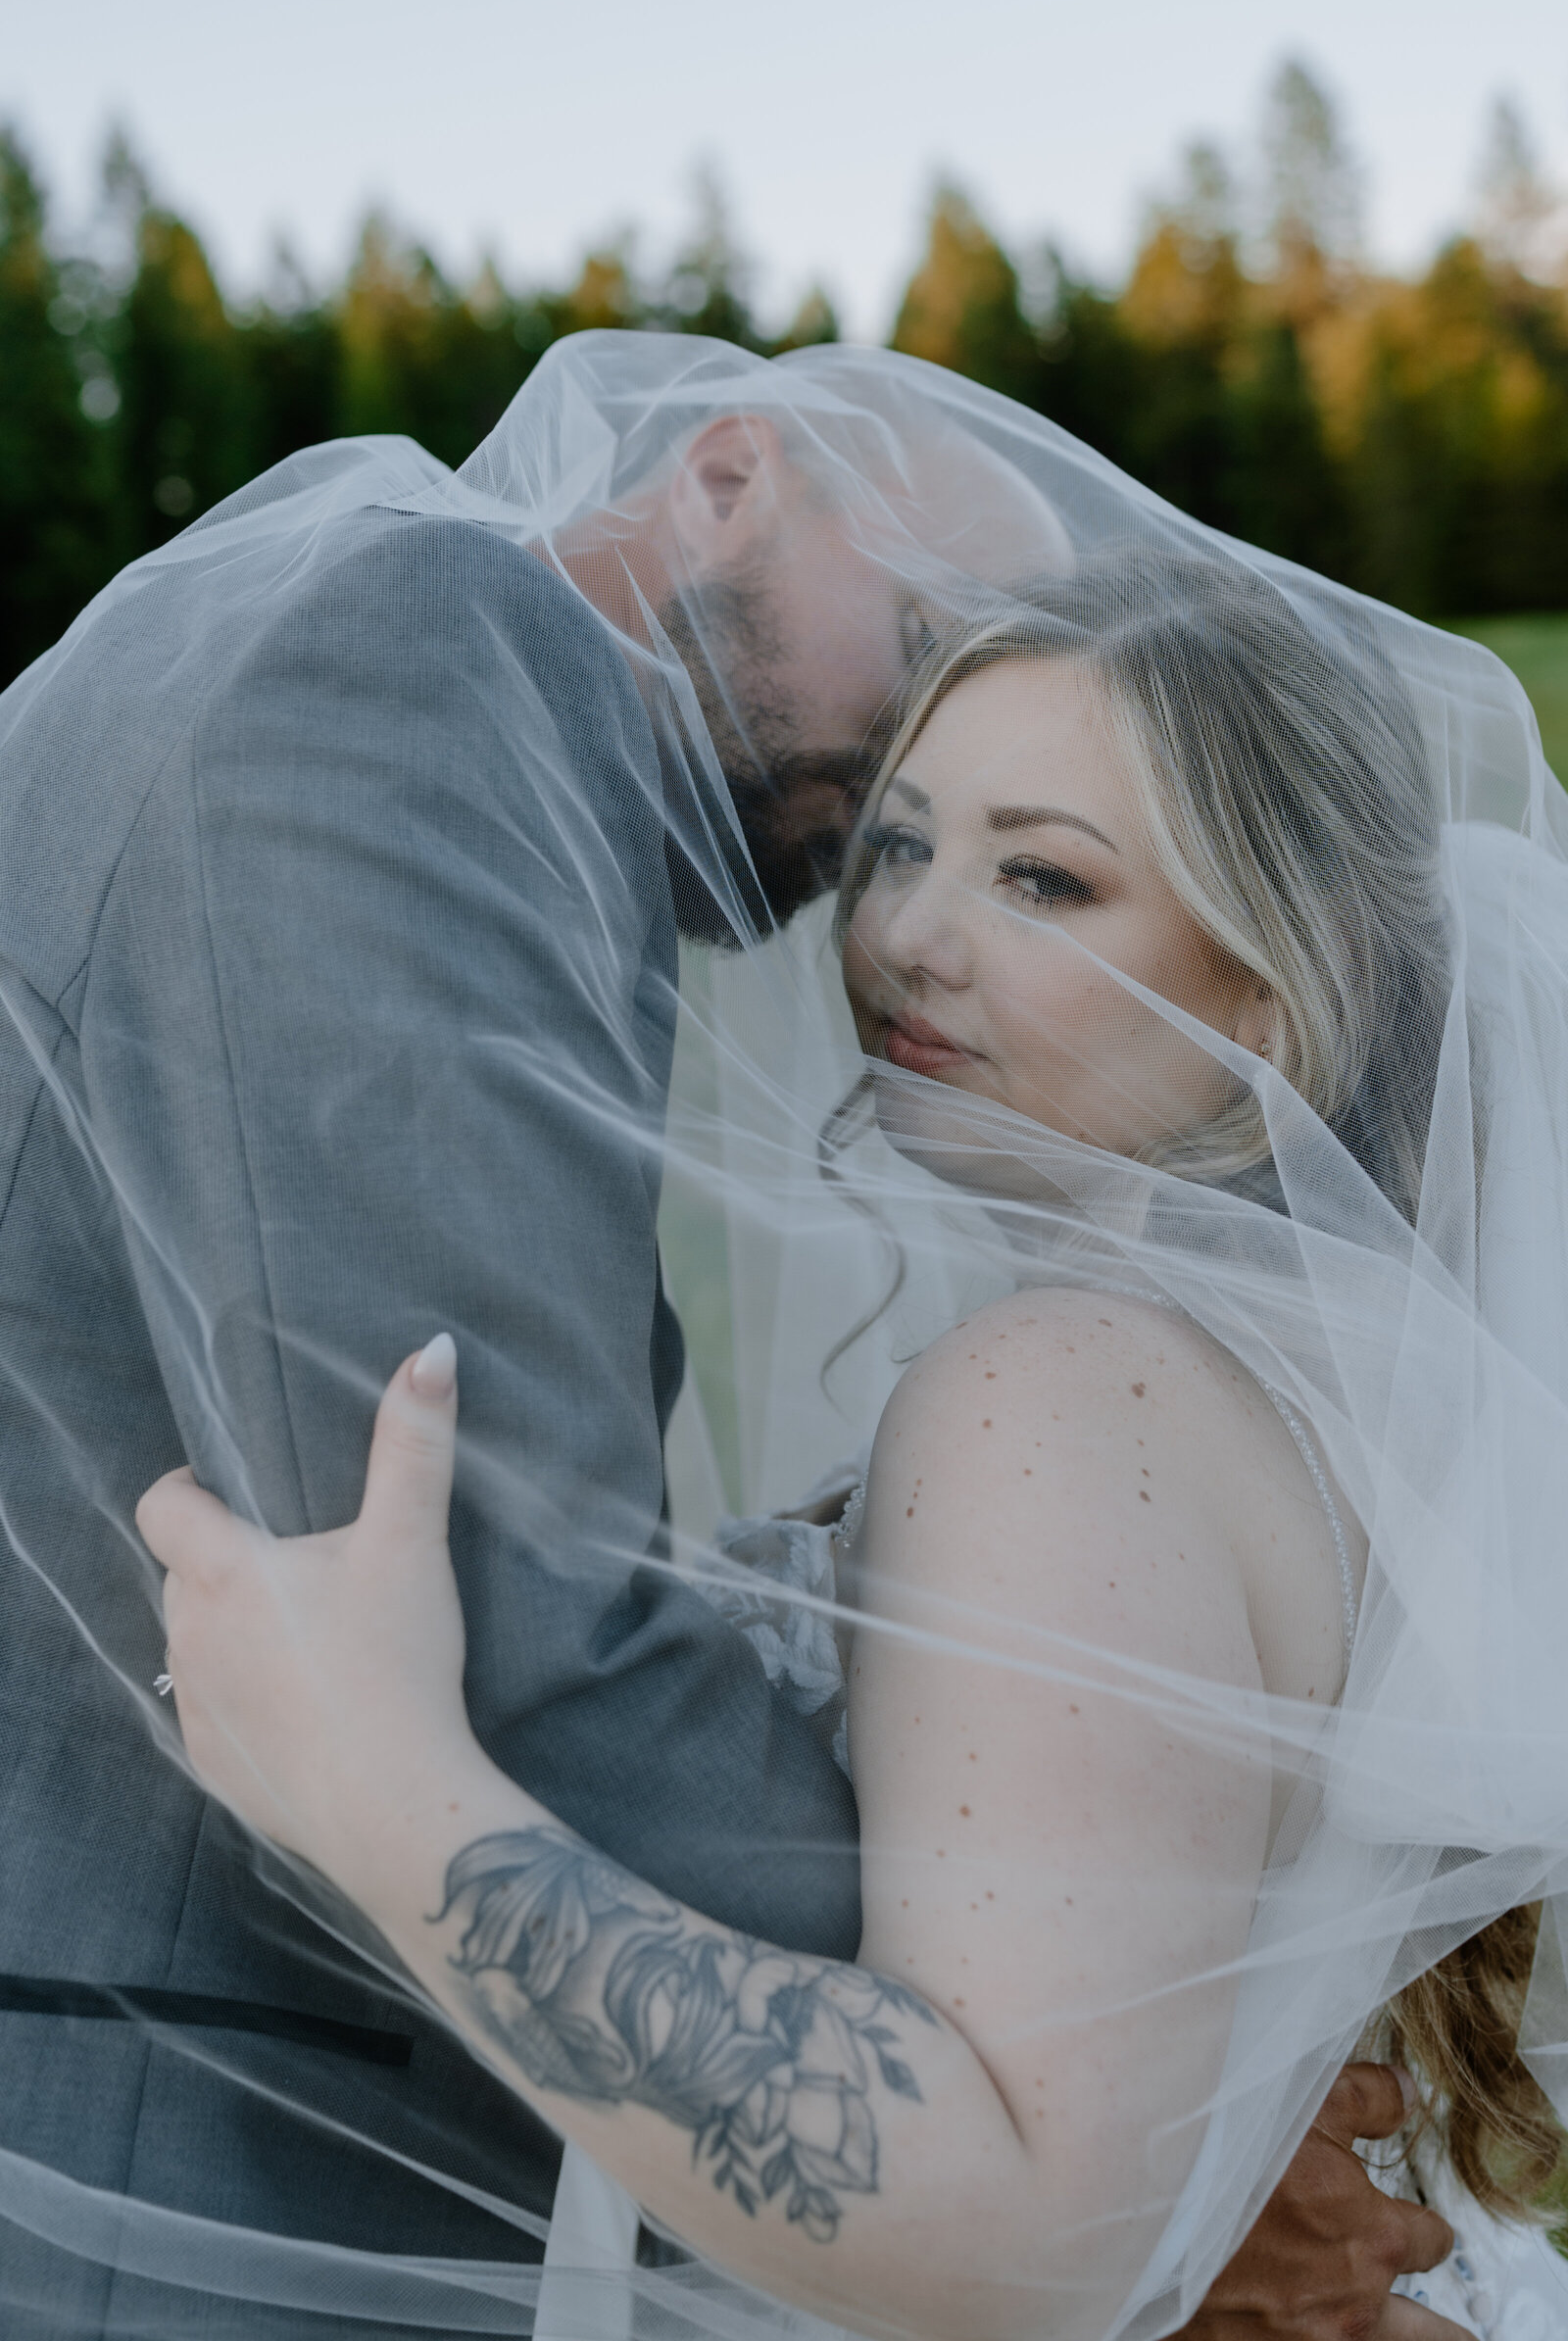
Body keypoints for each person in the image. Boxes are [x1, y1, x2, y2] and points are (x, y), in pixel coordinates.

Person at [140, 551, 1568, 2341]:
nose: (908, 934)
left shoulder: (1057, 1395)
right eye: (898, 845)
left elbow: (1035, 2221)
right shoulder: (1313, 1395)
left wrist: (376, 1792)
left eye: (1042, 877)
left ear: (1272, 991)